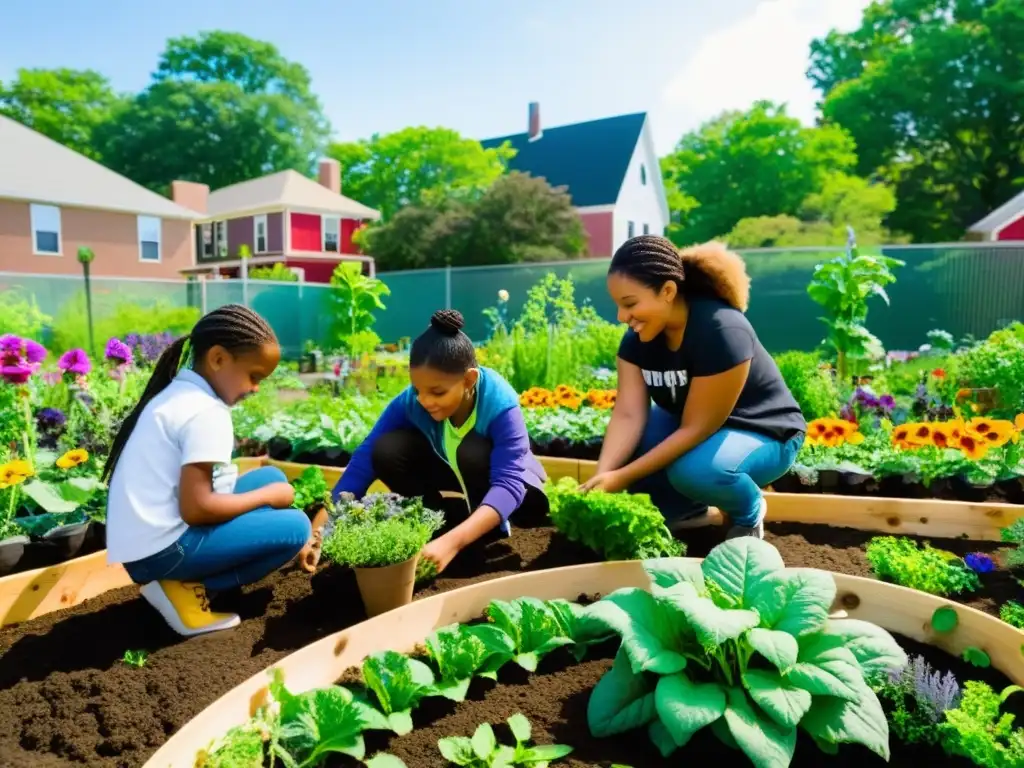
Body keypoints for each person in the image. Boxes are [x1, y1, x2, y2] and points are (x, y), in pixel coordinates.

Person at [103, 305, 318, 637]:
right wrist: (266, 497)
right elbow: (197, 508)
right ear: (218, 359)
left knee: (272, 477)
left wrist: (267, 491)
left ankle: (181, 579)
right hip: (162, 552)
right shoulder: (207, 412)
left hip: (144, 542)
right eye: (254, 376)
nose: (256, 388)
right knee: (294, 527)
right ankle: (186, 587)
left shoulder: (180, 393)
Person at [581, 235, 806, 539]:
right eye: (618, 306)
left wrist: (621, 478)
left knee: (695, 472)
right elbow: (628, 415)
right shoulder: (637, 341)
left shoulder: (721, 330)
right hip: (701, 428)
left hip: (764, 433)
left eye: (630, 304)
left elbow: (697, 428)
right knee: (631, 444)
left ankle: (748, 510)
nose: (622, 317)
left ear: (668, 291)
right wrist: (603, 476)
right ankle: (685, 511)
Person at [333, 309, 548, 573]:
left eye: (437, 392)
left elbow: (509, 483)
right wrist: (328, 522)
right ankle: (438, 522)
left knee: (472, 450)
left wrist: (453, 544)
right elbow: (365, 457)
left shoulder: (500, 403)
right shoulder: (415, 401)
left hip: (512, 497)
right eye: (417, 389)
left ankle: (480, 535)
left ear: (469, 379)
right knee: (387, 449)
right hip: (456, 477)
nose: (425, 400)